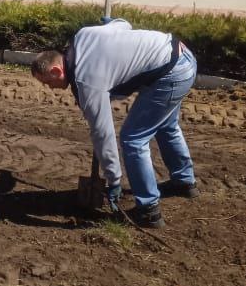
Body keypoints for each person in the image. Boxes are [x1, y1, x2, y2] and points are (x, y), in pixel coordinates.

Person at [30, 18, 198, 228]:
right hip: (181, 55)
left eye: (48, 82)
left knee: (133, 138)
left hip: (171, 73)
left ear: (57, 71)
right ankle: (184, 182)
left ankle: (149, 211)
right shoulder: (83, 35)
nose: (50, 88)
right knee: (166, 125)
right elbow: (122, 24)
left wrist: (114, 179)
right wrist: (111, 23)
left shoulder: (86, 81)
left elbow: (103, 133)